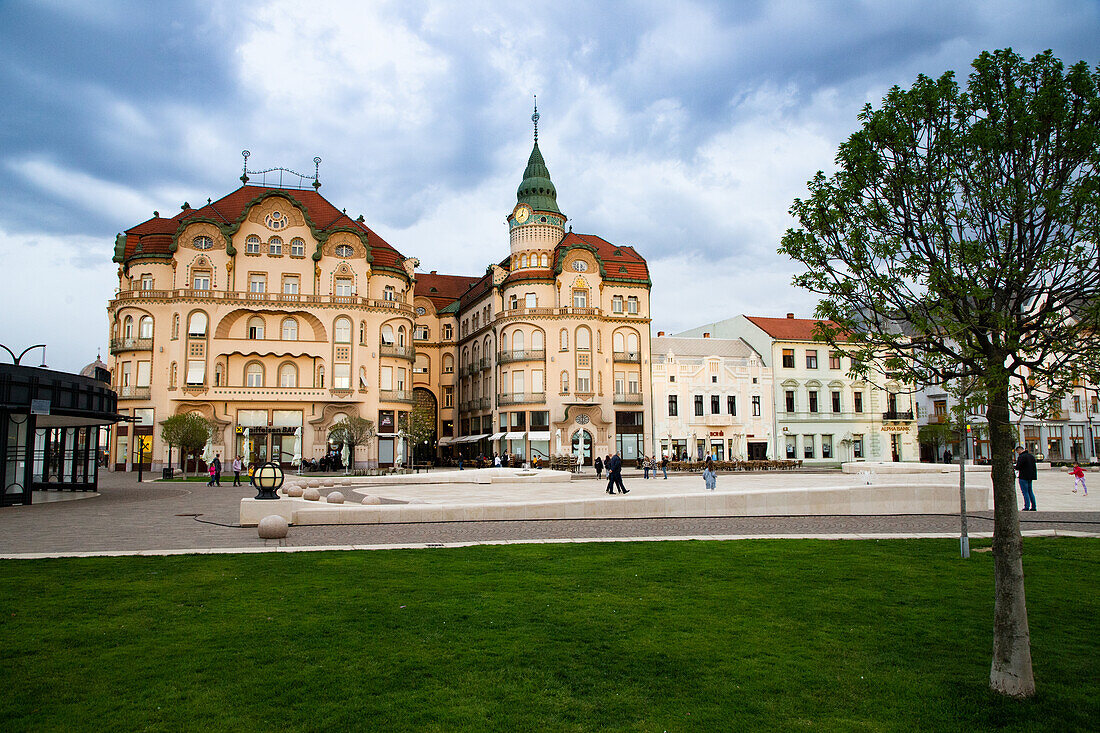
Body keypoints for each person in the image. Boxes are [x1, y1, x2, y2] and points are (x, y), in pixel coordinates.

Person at [1014, 445, 1037, 511]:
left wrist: (1014, 467)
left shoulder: (1021, 457)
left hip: (1023, 476)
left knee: (1025, 492)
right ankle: (1033, 506)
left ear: (1019, 451)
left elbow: (1018, 467)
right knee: (1030, 491)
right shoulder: (1031, 456)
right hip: (1030, 476)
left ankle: (1027, 506)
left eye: (1018, 452)